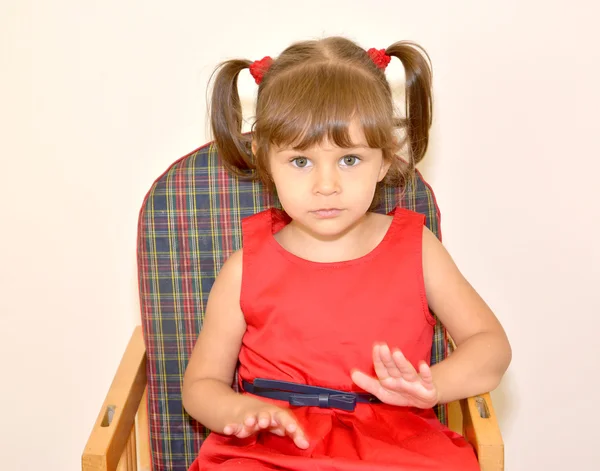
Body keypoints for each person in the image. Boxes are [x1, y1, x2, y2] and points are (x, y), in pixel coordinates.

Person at [182, 36, 512, 470]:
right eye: (301, 161)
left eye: (350, 160)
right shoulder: (245, 268)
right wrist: (237, 412)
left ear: (385, 159)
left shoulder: (417, 250)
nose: (326, 185)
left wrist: (432, 385)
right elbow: (201, 384)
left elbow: (491, 348)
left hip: (397, 445)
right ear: (265, 159)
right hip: (272, 447)